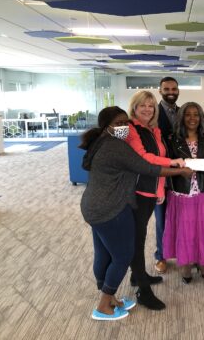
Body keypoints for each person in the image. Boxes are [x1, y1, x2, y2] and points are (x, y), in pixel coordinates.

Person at [79, 106, 191, 321]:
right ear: (106, 126)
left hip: (93, 206)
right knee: (123, 256)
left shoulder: (101, 141)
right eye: (118, 123)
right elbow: (148, 167)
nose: (123, 127)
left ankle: (110, 298)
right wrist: (180, 170)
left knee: (104, 253)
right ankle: (103, 305)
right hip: (110, 208)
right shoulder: (115, 146)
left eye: (125, 123)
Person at [126, 90, 185, 311]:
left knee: (139, 236)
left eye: (151, 106)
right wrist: (173, 162)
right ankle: (143, 289)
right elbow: (145, 159)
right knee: (138, 239)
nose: (148, 109)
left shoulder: (154, 130)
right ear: (134, 107)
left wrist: (160, 189)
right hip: (137, 192)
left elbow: (156, 168)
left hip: (150, 192)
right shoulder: (131, 130)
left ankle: (137, 275)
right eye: (143, 105)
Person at [164, 102, 204, 284]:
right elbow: (165, 164)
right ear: (181, 117)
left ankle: (203, 263)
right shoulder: (172, 139)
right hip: (182, 192)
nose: (192, 118)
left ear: (201, 117)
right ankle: (186, 265)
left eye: (196, 114)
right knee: (185, 230)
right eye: (188, 115)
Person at [154, 76, 180, 274]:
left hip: (180, 172)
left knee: (181, 216)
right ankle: (161, 255)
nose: (170, 91)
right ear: (160, 90)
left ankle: (181, 250)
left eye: (173, 88)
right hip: (160, 172)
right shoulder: (153, 114)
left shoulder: (182, 112)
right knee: (162, 217)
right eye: (166, 88)